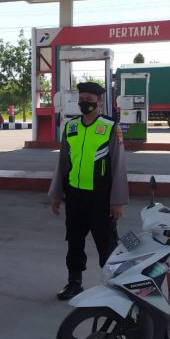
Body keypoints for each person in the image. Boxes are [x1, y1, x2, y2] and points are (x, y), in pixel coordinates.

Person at [49, 81, 129, 300]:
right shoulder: (71, 127)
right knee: (74, 240)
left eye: (89, 100)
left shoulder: (110, 127)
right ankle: (74, 282)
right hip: (75, 195)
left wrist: (117, 201)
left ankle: (114, 286)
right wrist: (56, 194)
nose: (84, 103)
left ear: (99, 101)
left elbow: (118, 165)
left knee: (106, 243)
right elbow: (63, 162)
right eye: (81, 99)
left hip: (100, 197)